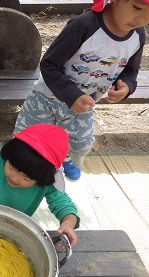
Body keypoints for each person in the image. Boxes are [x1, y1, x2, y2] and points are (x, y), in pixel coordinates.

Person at [14, 0, 148, 181]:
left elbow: (130, 71)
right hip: (47, 97)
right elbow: (49, 65)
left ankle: (65, 158)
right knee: (28, 138)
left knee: (81, 143)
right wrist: (71, 95)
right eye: (137, 7)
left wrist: (126, 87)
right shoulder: (84, 25)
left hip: (85, 104)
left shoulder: (138, 36)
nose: (142, 18)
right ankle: (25, 167)